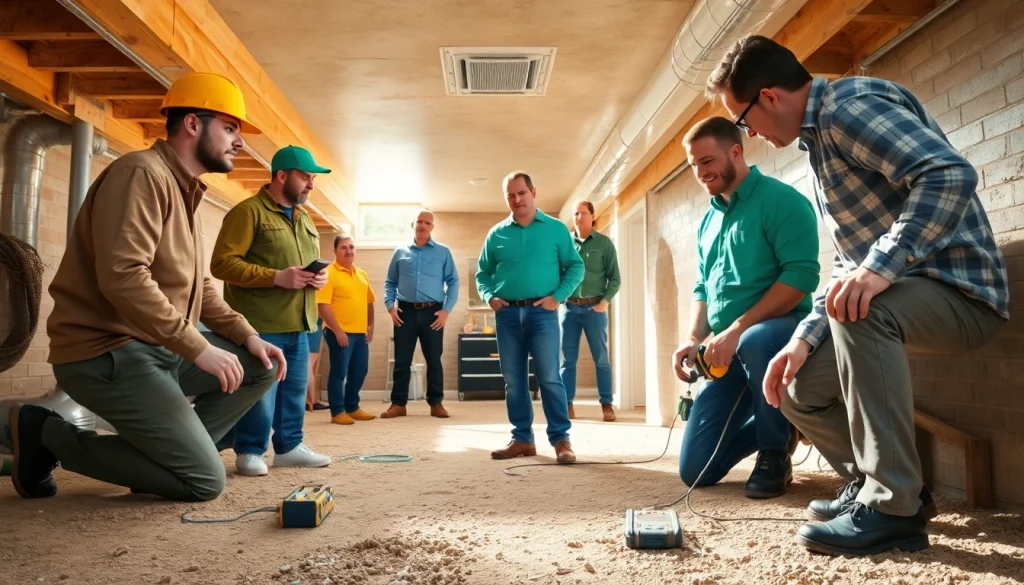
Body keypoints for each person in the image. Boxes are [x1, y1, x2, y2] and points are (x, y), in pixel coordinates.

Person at [706, 35, 1008, 555]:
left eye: (743, 119)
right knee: (795, 386)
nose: (748, 132)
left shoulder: (850, 108)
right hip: (903, 297)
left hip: (963, 294)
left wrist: (879, 268)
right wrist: (802, 341)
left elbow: (947, 173)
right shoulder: (818, 144)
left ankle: (894, 508)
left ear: (770, 97)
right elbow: (851, 266)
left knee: (859, 312)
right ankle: (885, 488)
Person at [2, 72, 285, 502]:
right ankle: (45, 435)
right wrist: (198, 347)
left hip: (157, 348)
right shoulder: (141, 174)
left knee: (259, 367)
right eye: (230, 128)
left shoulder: (184, 191)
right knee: (204, 482)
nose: (239, 142)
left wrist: (246, 335)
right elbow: (124, 276)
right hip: (106, 352)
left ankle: (163, 460)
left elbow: (201, 288)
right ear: (193, 124)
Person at [671, 116, 819, 499]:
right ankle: (785, 423)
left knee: (754, 340)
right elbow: (703, 285)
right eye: (694, 165)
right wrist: (693, 338)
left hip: (780, 332)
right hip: (726, 348)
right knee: (695, 471)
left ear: (735, 152)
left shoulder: (782, 201)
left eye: (707, 161)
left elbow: (801, 276)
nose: (701, 173)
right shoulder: (707, 221)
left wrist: (736, 331)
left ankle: (773, 454)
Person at [210, 145, 333, 476]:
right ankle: (250, 451)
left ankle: (290, 447)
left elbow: (299, 268)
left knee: (293, 390)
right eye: (306, 177)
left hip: (299, 322)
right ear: (282, 176)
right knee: (261, 391)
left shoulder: (304, 218)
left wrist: (315, 278)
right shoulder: (247, 213)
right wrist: (276, 278)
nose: (311, 185)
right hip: (260, 324)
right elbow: (222, 264)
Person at [476, 171, 585, 463]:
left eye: (521, 193)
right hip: (507, 315)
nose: (516, 199)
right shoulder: (496, 233)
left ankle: (561, 439)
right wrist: (489, 297)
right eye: (510, 195)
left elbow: (575, 267)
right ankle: (522, 439)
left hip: (543, 315)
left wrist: (557, 297)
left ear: (533, 192)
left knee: (550, 376)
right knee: (514, 380)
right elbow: (482, 273)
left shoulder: (556, 229)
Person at [381, 210, 460, 419]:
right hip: (404, 312)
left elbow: (453, 281)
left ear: (432, 227)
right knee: (401, 360)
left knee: (434, 360)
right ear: (412, 225)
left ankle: (436, 403)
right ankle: (398, 404)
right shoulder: (400, 252)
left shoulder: (443, 252)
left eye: (427, 223)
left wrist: (446, 310)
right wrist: (390, 305)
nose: (423, 225)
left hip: (433, 312)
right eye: (419, 222)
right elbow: (390, 282)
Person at [561, 201, 621, 422]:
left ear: (593, 216)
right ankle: (567, 404)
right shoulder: (565, 243)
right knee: (567, 360)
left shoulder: (604, 244)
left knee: (601, 358)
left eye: (583, 213)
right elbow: (556, 272)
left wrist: (605, 302)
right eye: (575, 214)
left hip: (594, 308)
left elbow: (615, 277)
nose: (578, 217)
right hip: (568, 308)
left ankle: (607, 404)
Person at [317, 235, 377, 424]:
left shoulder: (361, 274)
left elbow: (369, 302)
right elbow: (323, 305)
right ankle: (337, 412)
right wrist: (338, 331)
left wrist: (371, 326)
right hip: (339, 333)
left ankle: (352, 407)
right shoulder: (328, 273)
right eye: (343, 247)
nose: (349, 251)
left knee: (360, 371)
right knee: (339, 372)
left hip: (360, 334)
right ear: (335, 251)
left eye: (351, 247)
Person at [306, 318, 329, 411]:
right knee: (308, 366)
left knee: (308, 366)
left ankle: (311, 400)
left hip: (311, 328)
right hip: (312, 328)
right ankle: (312, 401)